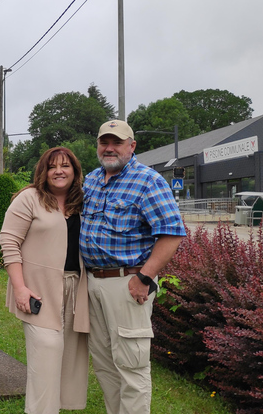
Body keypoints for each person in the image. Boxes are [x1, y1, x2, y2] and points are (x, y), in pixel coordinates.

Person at [80, 120, 186, 414]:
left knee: (132, 365)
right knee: (104, 363)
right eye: (105, 142)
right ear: (98, 145)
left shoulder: (148, 181)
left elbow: (171, 232)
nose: (110, 148)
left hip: (128, 284)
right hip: (93, 283)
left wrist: (144, 277)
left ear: (132, 146)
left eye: (117, 142)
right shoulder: (90, 180)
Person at [0, 147, 90, 414]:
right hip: (37, 289)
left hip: (76, 288)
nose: (59, 171)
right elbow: (9, 242)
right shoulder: (29, 198)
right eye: (53, 167)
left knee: (71, 357)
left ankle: (61, 407)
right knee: (47, 351)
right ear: (43, 171)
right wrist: (19, 288)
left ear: (75, 171)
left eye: (65, 166)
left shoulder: (84, 201)